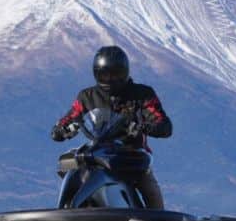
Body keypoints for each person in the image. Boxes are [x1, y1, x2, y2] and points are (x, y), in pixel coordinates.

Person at [50, 45, 172, 209]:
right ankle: (64, 210)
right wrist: (62, 130)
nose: (110, 79)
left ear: (125, 71)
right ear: (96, 73)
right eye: (105, 74)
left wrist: (144, 127)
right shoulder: (86, 96)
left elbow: (163, 124)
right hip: (98, 152)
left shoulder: (142, 94)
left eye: (116, 74)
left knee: (150, 188)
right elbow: (68, 118)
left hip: (131, 156)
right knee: (73, 168)